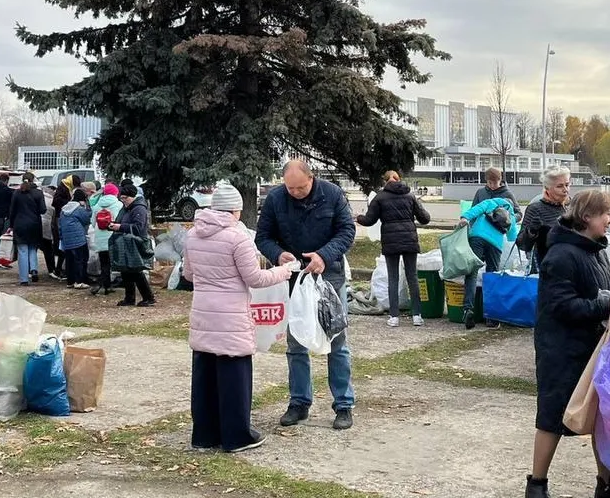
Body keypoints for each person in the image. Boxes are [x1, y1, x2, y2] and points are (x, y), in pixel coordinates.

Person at [526, 190, 610, 498]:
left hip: (592, 347)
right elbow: (562, 306)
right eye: (605, 215)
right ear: (587, 218)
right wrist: (606, 306)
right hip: (561, 350)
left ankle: (607, 485)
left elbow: (600, 293)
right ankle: (537, 484)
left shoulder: (592, 250)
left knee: (601, 417)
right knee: (553, 417)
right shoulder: (560, 256)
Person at [183, 185, 292, 453]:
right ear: (236, 209)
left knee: (205, 374)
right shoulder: (237, 237)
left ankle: (204, 435)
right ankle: (237, 436)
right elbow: (255, 278)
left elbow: (188, 275)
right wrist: (283, 271)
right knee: (234, 377)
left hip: (203, 312)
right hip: (231, 316)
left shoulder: (193, 234)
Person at [255, 160, 356, 430]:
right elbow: (262, 237)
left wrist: (324, 255)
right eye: (290, 188)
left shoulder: (332, 194)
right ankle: (299, 402)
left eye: (300, 187)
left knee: (337, 340)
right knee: (296, 342)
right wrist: (277, 254)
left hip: (329, 275)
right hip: (294, 277)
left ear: (312, 179)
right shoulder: (276, 198)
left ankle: (344, 405)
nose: (295, 192)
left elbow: (347, 231)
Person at [356, 170, 431, 328]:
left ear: (385, 181)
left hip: (391, 241)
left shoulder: (380, 197)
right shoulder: (410, 196)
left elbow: (370, 220)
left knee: (393, 278)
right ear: (399, 180)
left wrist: (358, 218)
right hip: (410, 240)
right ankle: (417, 315)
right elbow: (425, 219)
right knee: (412, 277)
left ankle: (394, 316)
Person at [457, 195, 519, 328]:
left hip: (477, 237)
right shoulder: (511, 213)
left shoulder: (491, 203)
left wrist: (464, 218)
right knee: (492, 277)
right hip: (495, 244)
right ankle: (491, 317)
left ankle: (468, 309)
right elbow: (512, 235)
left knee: (472, 273)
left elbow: (475, 210)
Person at [108, 183, 156, 307]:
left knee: (136, 270)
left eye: (125, 198)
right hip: (125, 242)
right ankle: (129, 298)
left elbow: (139, 228)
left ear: (132, 196)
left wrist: (120, 227)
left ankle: (148, 298)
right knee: (125, 270)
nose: (123, 201)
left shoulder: (139, 208)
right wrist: (113, 225)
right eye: (121, 198)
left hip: (136, 243)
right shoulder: (126, 208)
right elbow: (122, 222)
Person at [518, 166, 571, 271]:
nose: (565, 190)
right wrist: (531, 231)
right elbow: (522, 244)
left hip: (572, 268)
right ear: (547, 188)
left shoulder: (573, 205)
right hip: (547, 270)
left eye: (567, 184)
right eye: (560, 186)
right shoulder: (536, 209)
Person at [8, 172, 47, 286]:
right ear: (33, 180)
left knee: (22, 251)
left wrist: (11, 225)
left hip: (19, 224)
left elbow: (12, 211)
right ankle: (34, 269)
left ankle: (24, 278)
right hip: (34, 224)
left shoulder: (17, 193)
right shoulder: (39, 193)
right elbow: (43, 210)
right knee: (32, 248)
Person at [90, 183, 123, 295]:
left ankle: (106, 285)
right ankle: (102, 283)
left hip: (100, 238)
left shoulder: (97, 206)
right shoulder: (119, 205)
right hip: (114, 237)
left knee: (104, 263)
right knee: (115, 263)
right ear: (116, 193)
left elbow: (93, 222)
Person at [60, 188, 92, 289]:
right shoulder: (79, 209)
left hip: (67, 238)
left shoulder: (64, 209)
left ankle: (70, 281)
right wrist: (87, 207)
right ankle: (79, 281)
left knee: (69, 260)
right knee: (80, 259)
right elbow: (87, 219)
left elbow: (59, 224)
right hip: (78, 238)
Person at [51, 175, 82, 279]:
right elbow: (55, 202)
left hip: (62, 217)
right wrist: (69, 204)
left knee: (64, 245)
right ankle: (59, 269)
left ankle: (59, 269)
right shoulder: (63, 188)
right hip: (60, 217)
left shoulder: (67, 187)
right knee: (63, 245)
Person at [39, 185, 57, 277]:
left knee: (32, 248)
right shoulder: (52, 202)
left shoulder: (40, 198)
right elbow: (53, 220)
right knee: (48, 250)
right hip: (47, 228)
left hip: (36, 225)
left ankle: (31, 270)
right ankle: (51, 269)